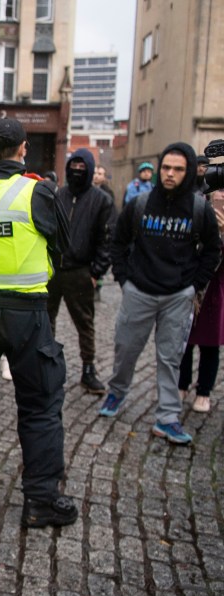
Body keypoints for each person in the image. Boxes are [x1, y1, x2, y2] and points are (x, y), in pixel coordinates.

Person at [0, 118, 77, 528]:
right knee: (41, 405)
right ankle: (41, 502)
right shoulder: (39, 191)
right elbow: (65, 248)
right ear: (22, 148)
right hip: (29, 315)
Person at [101, 142, 222, 445]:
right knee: (126, 348)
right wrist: (124, 279)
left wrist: (194, 286)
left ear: (189, 172)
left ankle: (167, 418)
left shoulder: (199, 209)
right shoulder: (141, 204)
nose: (170, 174)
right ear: (158, 169)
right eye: (166, 168)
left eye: (178, 169)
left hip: (177, 296)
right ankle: (116, 393)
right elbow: (118, 241)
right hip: (138, 292)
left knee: (170, 359)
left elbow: (211, 250)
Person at [48, 149, 115, 394]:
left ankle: (88, 369)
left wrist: (96, 272)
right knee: (47, 320)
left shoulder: (101, 200)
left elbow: (107, 240)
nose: (77, 170)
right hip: (54, 270)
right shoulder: (59, 195)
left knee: (85, 324)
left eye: (81, 166)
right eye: (73, 165)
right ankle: (47, 364)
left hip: (80, 271)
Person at [179, 188, 224, 412]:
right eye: (218, 190)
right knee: (185, 339)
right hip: (191, 286)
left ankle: (204, 391)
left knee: (210, 343)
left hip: (216, 290)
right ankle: (182, 383)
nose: (221, 196)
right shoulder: (198, 211)